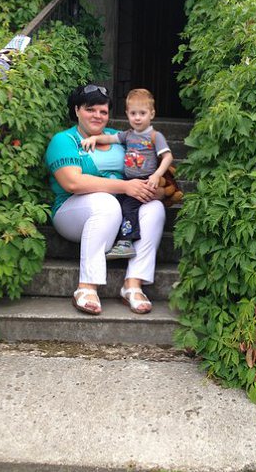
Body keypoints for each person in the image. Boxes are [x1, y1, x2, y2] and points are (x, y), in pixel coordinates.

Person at [45, 84, 166, 315]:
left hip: (122, 213)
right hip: (74, 212)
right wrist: (125, 186)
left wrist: (150, 189)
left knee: (154, 208)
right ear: (77, 110)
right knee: (106, 202)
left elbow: (149, 171)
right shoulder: (65, 140)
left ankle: (133, 285)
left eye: (103, 111)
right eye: (90, 109)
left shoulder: (119, 137)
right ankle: (87, 287)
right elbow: (73, 183)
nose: (97, 116)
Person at [81, 88, 173, 259]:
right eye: (133, 113)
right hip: (128, 181)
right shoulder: (128, 135)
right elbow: (109, 138)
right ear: (127, 114)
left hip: (145, 181)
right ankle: (119, 239)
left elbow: (168, 157)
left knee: (129, 207)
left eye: (142, 113)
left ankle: (126, 243)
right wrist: (94, 138)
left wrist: (156, 175)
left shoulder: (155, 136)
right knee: (119, 205)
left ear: (152, 114)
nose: (137, 118)